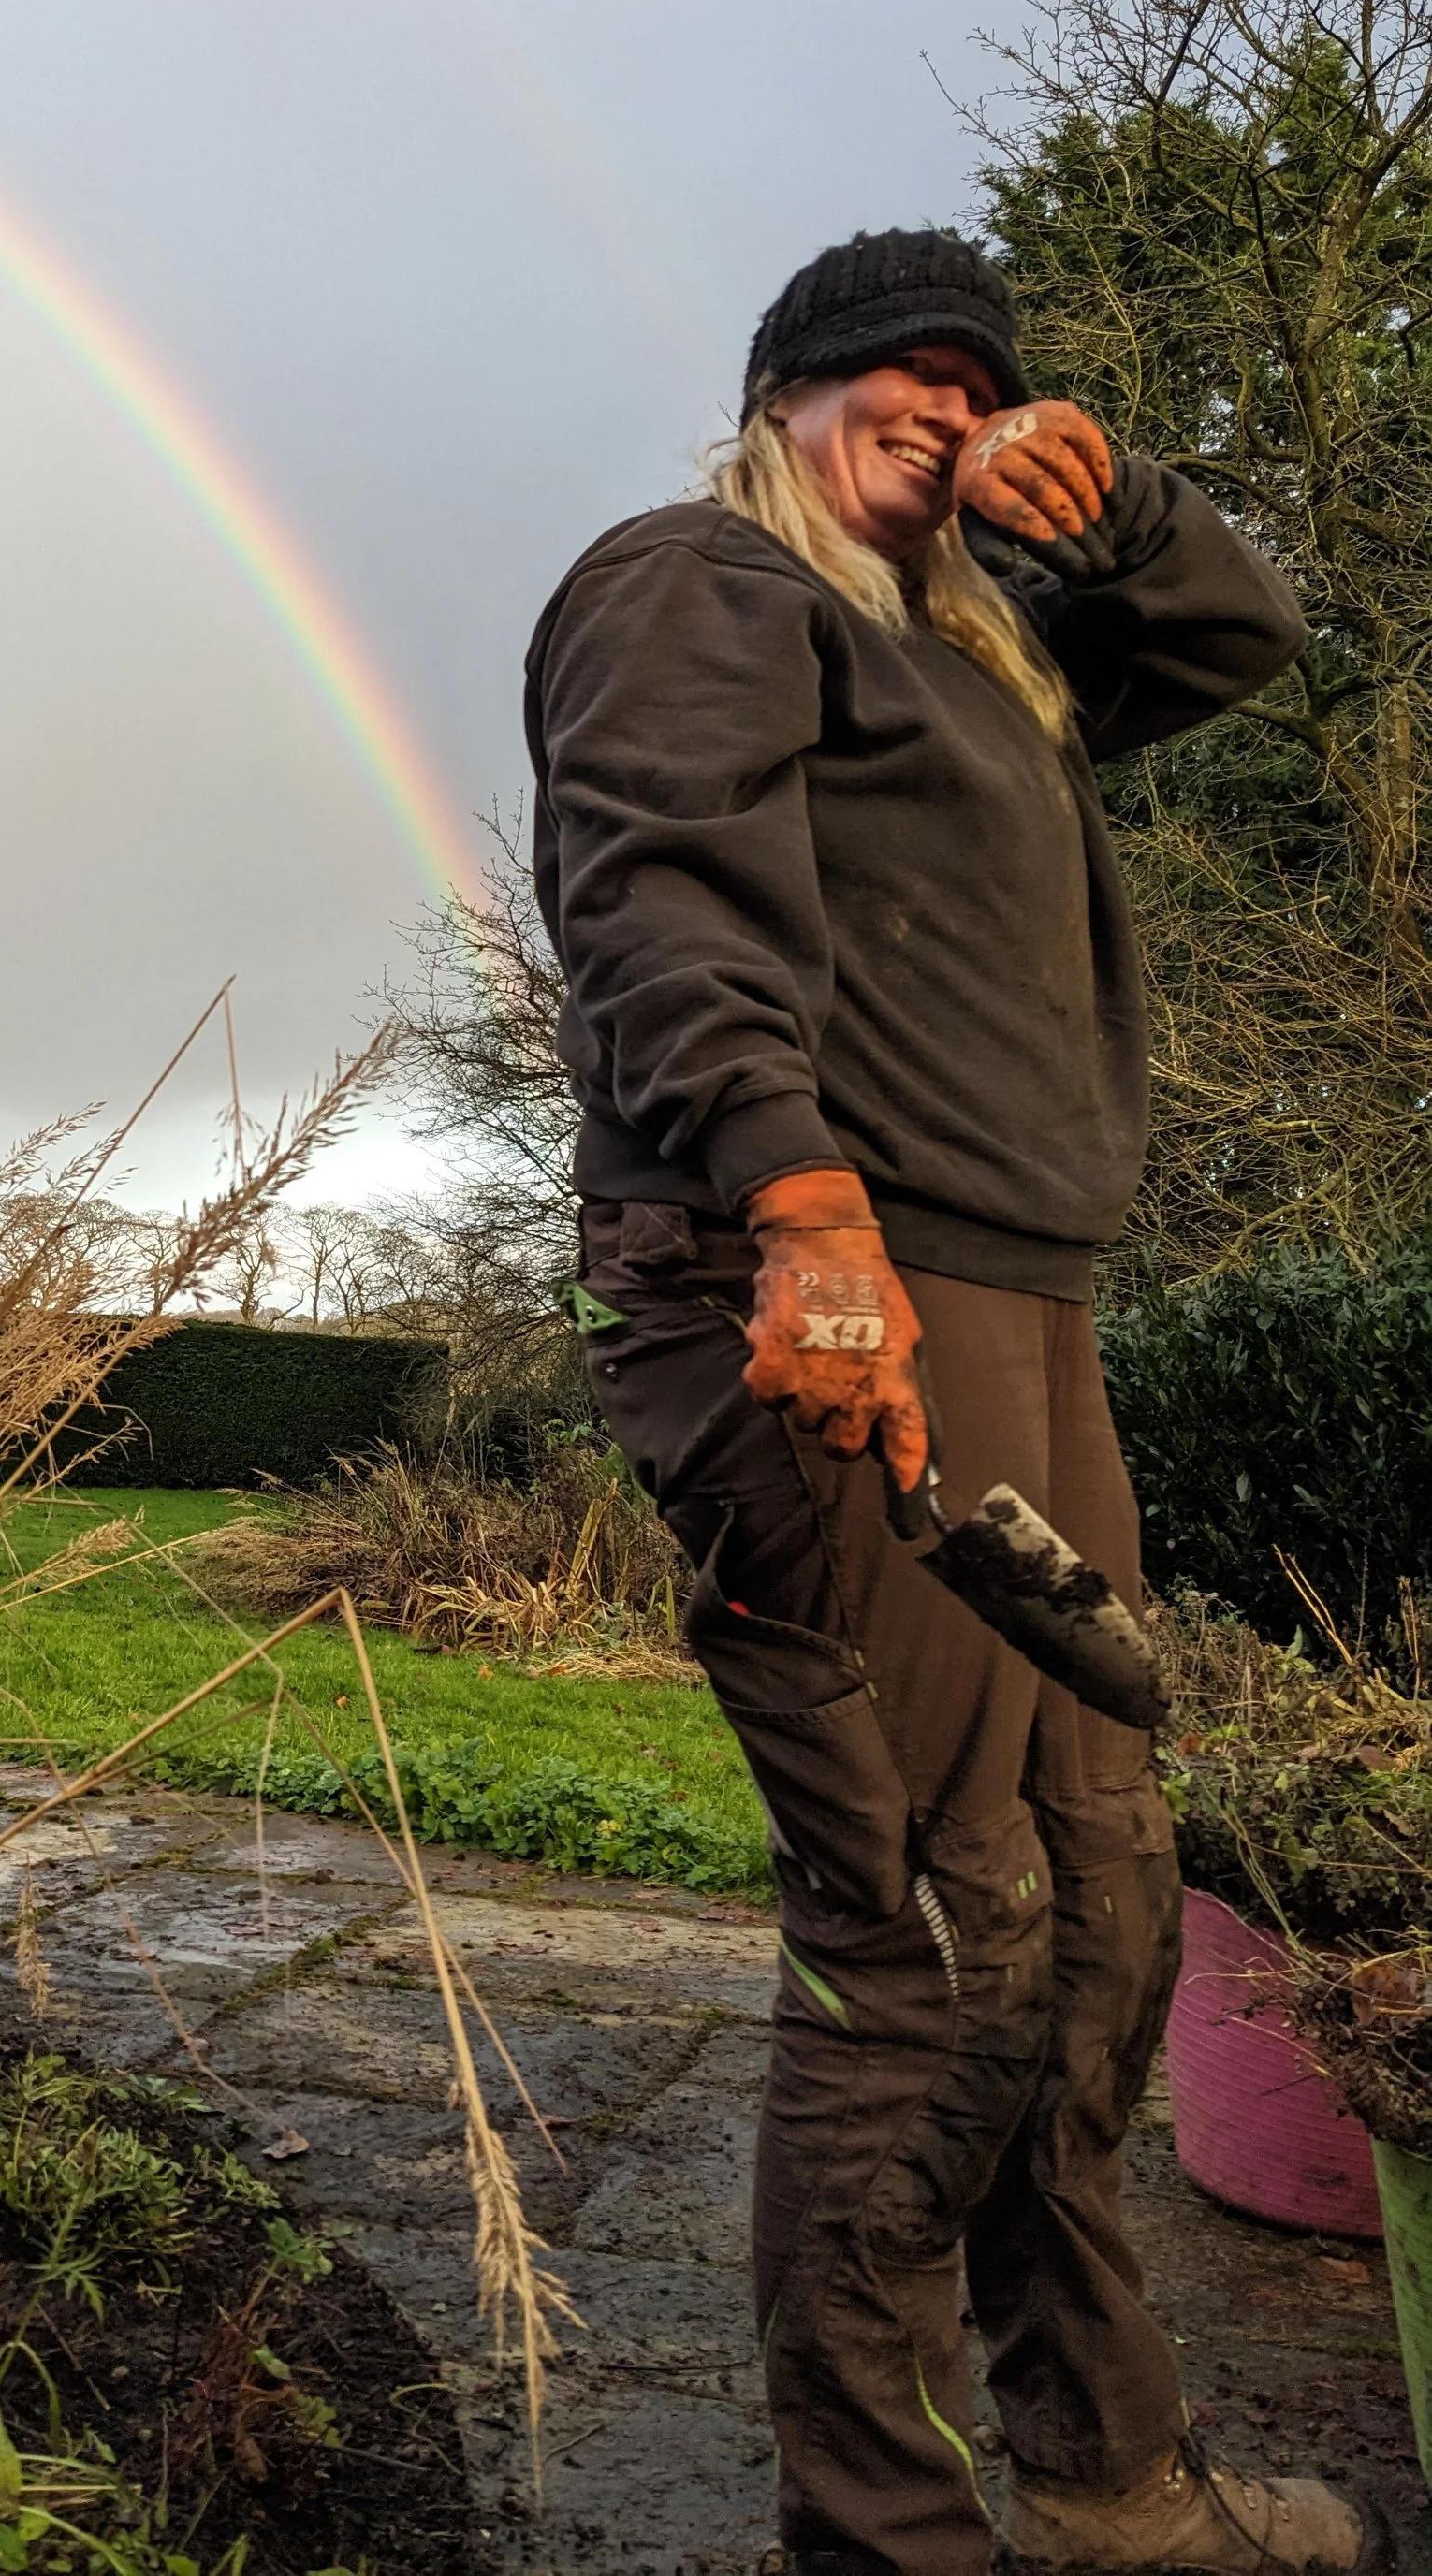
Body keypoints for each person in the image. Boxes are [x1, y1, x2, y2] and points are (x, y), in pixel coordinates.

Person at [525, 230, 1364, 2576]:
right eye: (885, 375)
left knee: (1098, 1907)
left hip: (1015, 1298)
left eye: (972, 379)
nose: (936, 396)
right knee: (923, 1931)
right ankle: (879, 2535)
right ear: (778, 396)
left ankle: (1102, 2476)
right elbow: (655, 885)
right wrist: (799, 1207)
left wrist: (1091, 511)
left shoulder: (974, 652)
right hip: (820, 1287)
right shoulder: (697, 582)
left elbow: (1237, 639)